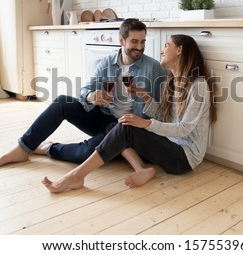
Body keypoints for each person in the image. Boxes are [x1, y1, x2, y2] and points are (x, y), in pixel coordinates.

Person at [41, 34, 217, 193]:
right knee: (118, 124)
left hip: (184, 158)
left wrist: (146, 123)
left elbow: (184, 128)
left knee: (127, 129)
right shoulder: (171, 82)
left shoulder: (198, 85)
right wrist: (144, 95)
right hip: (169, 145)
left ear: (179, 50)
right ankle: (141, 169)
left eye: (167, 45)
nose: (162, 50)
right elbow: (166, 119)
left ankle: (76, 176)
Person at [0, 18, 167, 169]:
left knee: (88, 154)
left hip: (127, 127)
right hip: (105, 117)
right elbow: (85, 91)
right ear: (121, 41)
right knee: (62, 102)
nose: (139, 47)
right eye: (134, 41)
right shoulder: (106, 63)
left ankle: (49, 148)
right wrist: (91, 96)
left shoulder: (153, 68)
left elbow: (160, 112)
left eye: (142, 41)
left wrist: (144, 96)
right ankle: (22, 148)